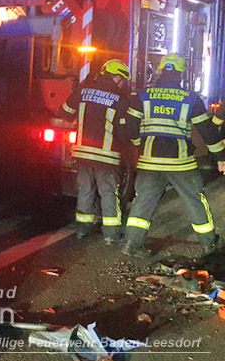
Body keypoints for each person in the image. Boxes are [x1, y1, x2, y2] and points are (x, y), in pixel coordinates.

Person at [122, 54, 225, 258]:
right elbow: (207, 132)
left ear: (160, 71)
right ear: (180, 74)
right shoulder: (191, 99)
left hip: (150, 161)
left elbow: (130, 127)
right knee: (194, 200)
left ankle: (132, 244)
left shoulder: (142, 96)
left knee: (143, 201)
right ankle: (208, 243)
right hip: (180, 163)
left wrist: (137, 145)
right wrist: (220, 157)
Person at [59, 59, 132, 244]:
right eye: (123, 80)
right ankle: (111, 235)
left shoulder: (83, 91)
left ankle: (82, 230)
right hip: (106, 157)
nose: (124, 84)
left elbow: (65, 112)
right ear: (116, 77)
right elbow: (124, 132)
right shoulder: (120, 100)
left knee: (85, 191)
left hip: (83, 154)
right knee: (108, 193)